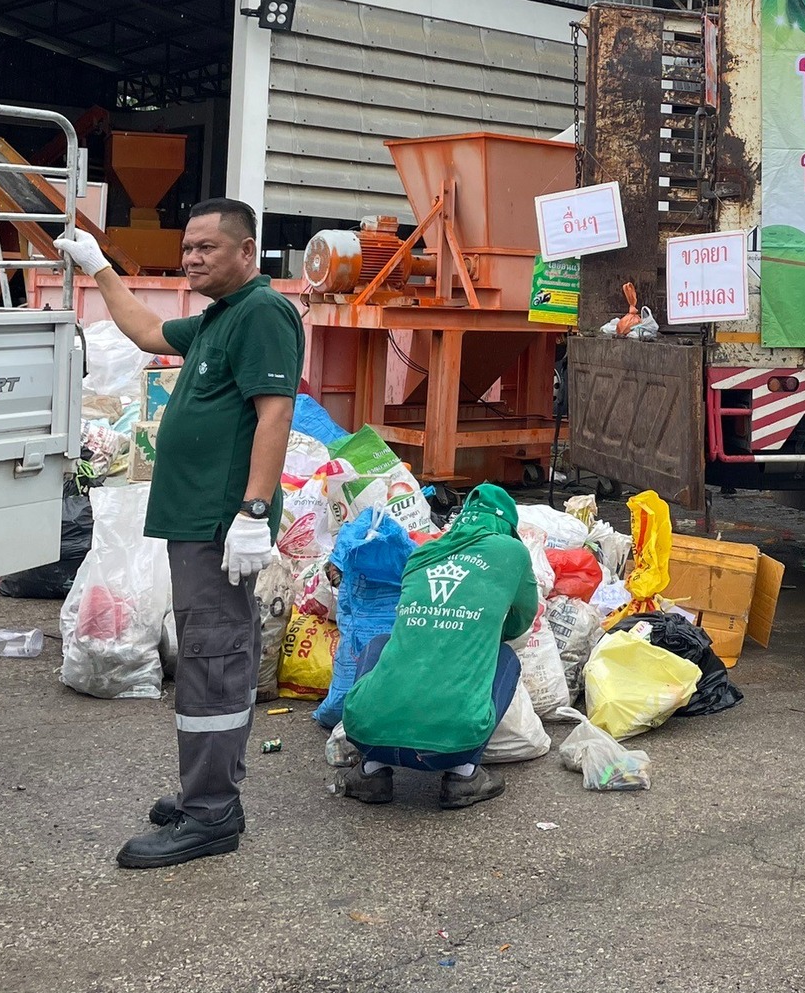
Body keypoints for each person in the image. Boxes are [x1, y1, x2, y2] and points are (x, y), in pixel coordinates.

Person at [54, 201, 304, 869]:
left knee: (215, 659)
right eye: (187, 247)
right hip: (196, 522)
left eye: (206, 247)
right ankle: (208, 792)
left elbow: (276, 414)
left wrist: (253, 512)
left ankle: (211, 812)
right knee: (207, 653)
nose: (191, 257)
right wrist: (99, 266)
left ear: (246, 251)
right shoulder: (221, 316)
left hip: (222, 524)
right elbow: (144, 330)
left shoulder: (262, 312)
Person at [333, 483, 538, 808]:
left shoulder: (423, 553)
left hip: (368, 733)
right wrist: (482, 630)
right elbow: (521, 620)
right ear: (506, 526)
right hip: (452, 745)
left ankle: (371, 771)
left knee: (380, 643)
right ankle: (464, 774)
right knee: (504, 658)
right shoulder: (511, 552)